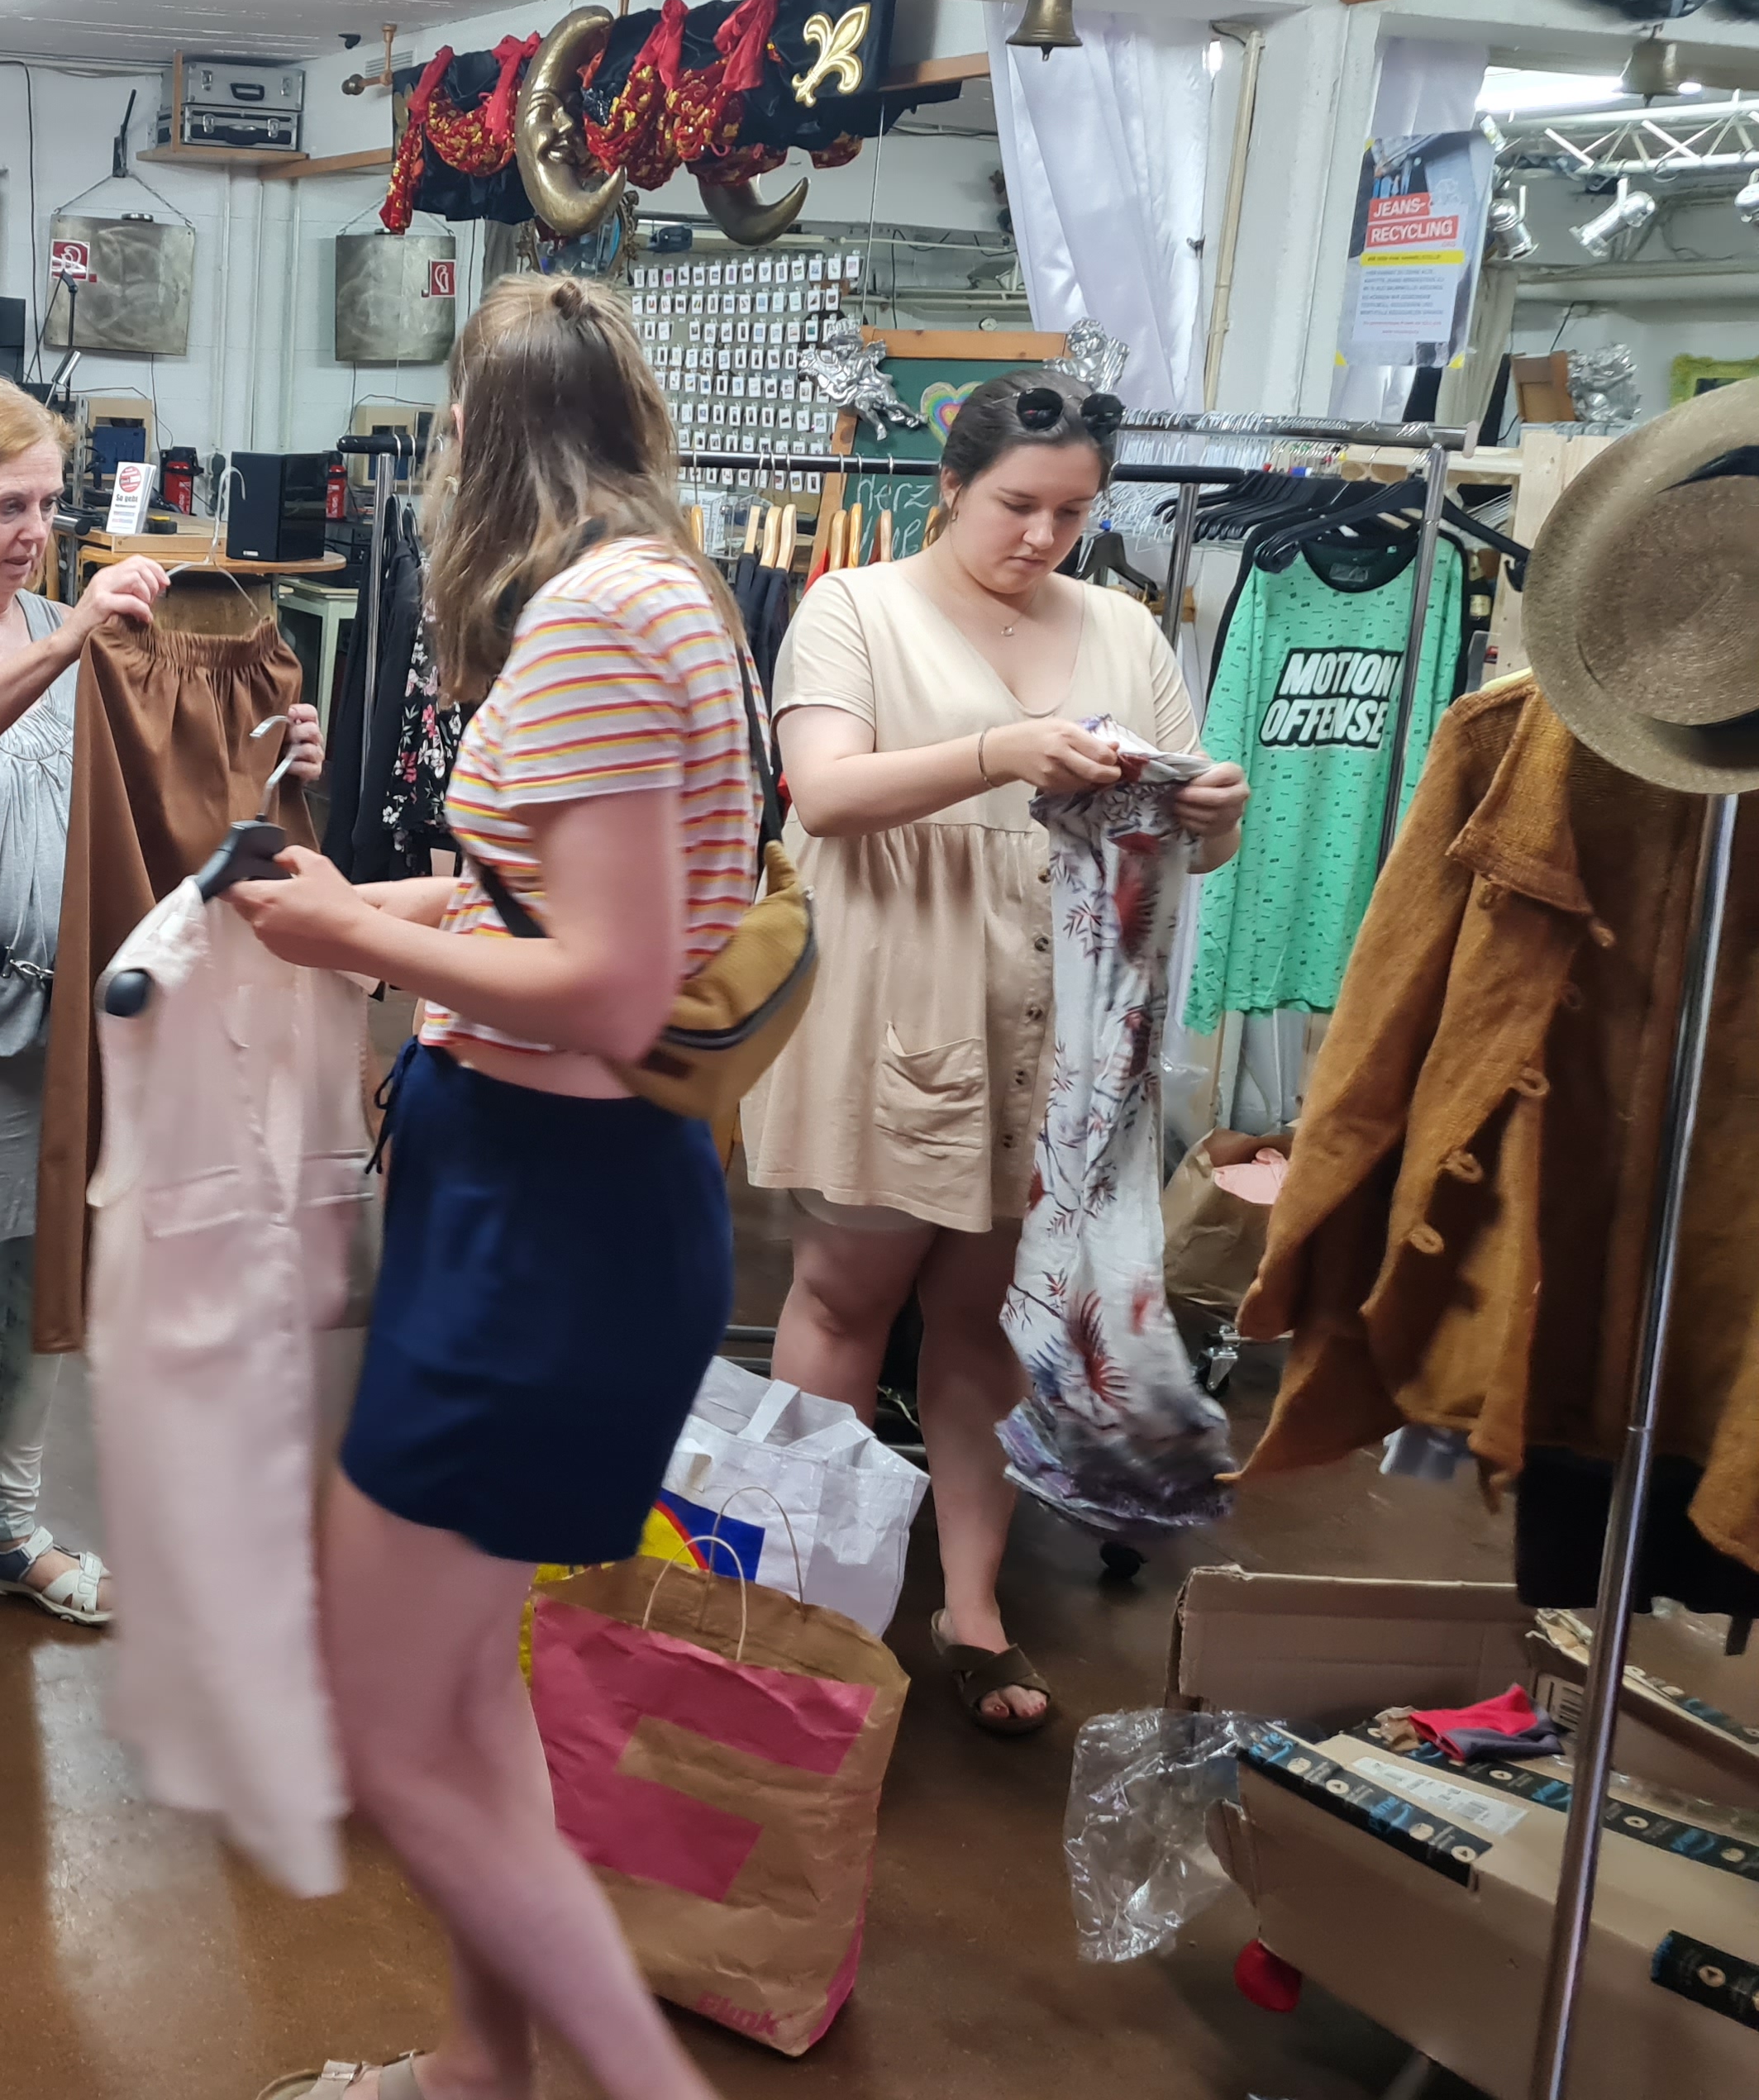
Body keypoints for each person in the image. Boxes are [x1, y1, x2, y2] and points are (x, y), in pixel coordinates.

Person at [228, 275, 755, 2100]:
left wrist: (346, 943)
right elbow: (564, 896)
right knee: (456, 1692)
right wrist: (373, 906)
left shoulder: (597, 622)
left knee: (386, 1727)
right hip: (548, 1197)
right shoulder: (659, 590)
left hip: (552, 1216)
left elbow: (609, 988)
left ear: (479, 434)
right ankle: (481, 2070)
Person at [737, 370, 1247, 1736]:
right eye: (1018, 504)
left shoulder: (1122, 628)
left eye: (1073, 514)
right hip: (894, 1003)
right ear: (951, 485)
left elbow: (1196, 835)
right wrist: (1001, 751)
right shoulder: (855, 609)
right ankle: (812, 1615)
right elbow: (824, 793)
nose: (1043, 536)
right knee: (846, 1302)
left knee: (984, 1321)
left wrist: (1213, 811)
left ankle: (971, 1609)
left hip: (1056, 1029)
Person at [0, 377, 319, 1691]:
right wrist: (75, 643)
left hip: (64, 1009)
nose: (36, 531)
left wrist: (276, 758)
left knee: (45, 1281)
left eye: (50, 505)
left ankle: (7, 1533)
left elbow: (173, 785)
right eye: (8, 505)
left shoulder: (69, 626)